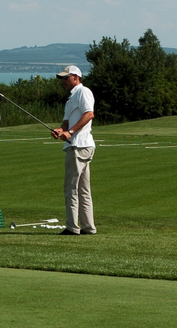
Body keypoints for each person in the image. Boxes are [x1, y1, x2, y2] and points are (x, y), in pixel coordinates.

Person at [51, 65, 97, 235]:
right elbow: (66, 122)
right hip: (77, 144)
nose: (63, 81)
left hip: (80, 145)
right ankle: (88, 227)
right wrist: (60, 130)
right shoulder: (71, 99)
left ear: (76, 77)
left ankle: (72, 227)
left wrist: (70, 132)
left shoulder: (83, 91)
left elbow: (89, 114)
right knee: (83, 189)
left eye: (66, 78)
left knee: (71, 188)